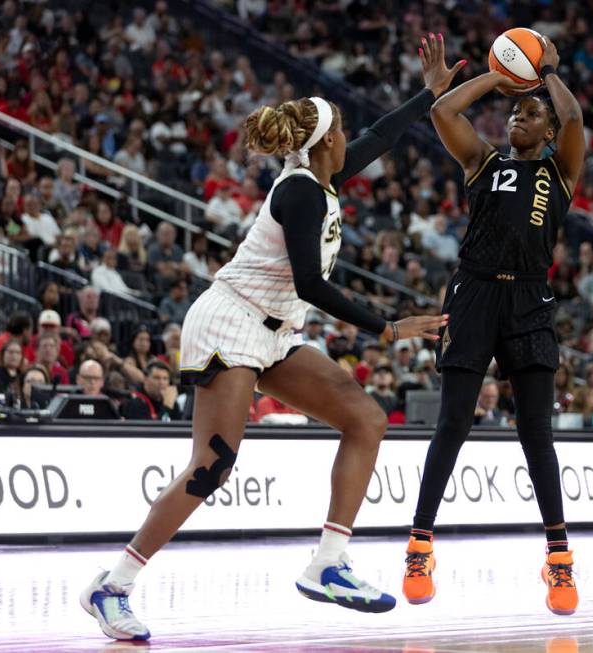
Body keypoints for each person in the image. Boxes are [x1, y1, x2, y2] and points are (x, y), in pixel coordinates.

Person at [81, 35, 458, 641]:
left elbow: (383, 137)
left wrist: (428, 96)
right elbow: (310, 282)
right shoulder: (302, 190)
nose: (351, 135)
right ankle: (112, 585)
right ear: (328, 140)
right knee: (213, 467)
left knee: (366, 418)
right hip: (231, 322)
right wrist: (387, 325)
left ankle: (328, 563)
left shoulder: (322, 174)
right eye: (344, 129)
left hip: (274, 330)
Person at [402, 34, 584, 615]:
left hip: (530, 299)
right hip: (475, 291)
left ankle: (558, 560)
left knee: (537, 432)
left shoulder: (561, 171)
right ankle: (419, 547)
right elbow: (442, 110)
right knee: (453, 420)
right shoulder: (483, 161)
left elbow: (574, 114)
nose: (515, 117)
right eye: (512, 112)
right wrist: (499, 80)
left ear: (548, 131)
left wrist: (544, 76)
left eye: (528, 114)